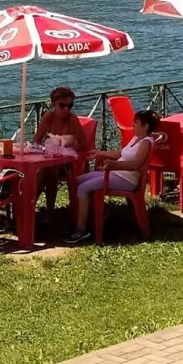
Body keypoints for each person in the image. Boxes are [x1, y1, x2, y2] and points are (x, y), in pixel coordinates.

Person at [66, 110, 162, 245]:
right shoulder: (136, 138)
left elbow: (136, 164)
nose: (133, 125)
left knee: (82, 188)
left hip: (126, 179)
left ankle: (81, 229)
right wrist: (100, 153)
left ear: (145, 126)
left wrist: (113, 165)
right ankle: (89, 215)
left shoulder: (145, 142)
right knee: (77, 181)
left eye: (136, 122)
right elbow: (121, 153)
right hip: (116, 173)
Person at [33, 86, 86, 211]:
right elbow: (36, 139)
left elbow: (84, 145)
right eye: (62, 105)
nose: (66, 109)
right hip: (49, 160)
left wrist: (69, 147)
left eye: (70, 106)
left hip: (67, 164)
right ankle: (44, 212)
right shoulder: (49, 117)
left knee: (46, 173)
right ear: (53, 104)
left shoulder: (72, 120)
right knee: (45, 172)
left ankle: (29, 208)